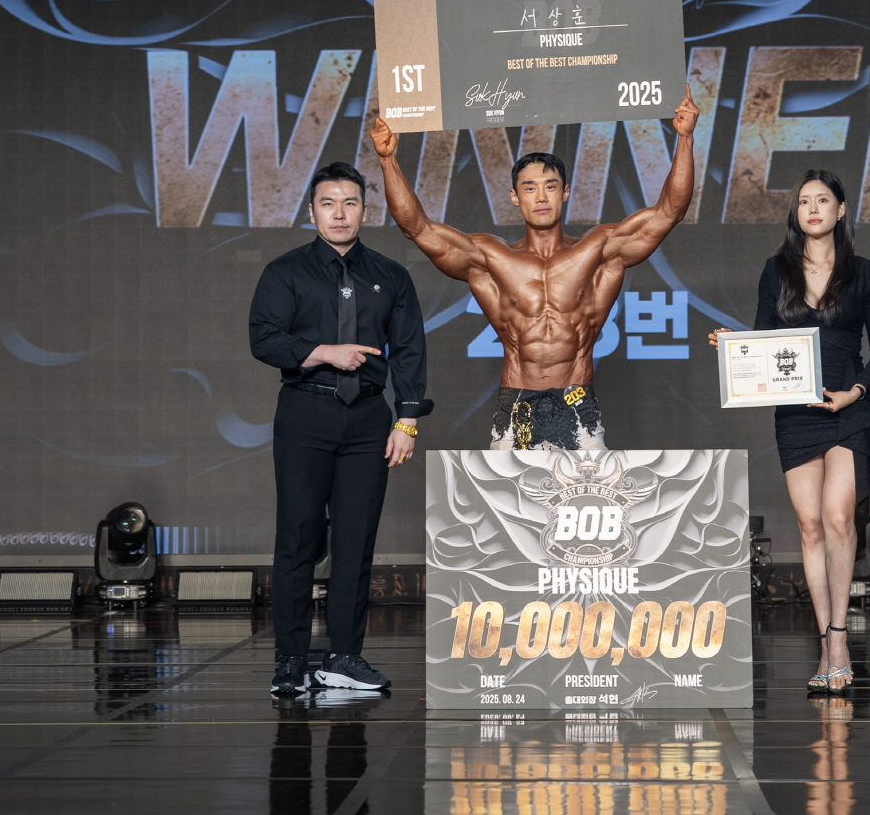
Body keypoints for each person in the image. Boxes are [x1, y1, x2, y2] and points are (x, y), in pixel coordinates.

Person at [368, 88, 700, 449]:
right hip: (516, 405)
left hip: (578, 403)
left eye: (550, 187)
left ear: (565, 192)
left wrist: (684, 138)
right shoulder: (491, 258)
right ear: (515, 197)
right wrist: (387, 159)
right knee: (508, 489)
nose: (541, 197)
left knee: (590, 488)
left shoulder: (599, 251)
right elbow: (416, 227)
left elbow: (670, 211)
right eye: (529, 188)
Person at [248, 161, 433, 695]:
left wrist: (407, 422)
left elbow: (410, 349)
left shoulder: (390, 275)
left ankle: (345, 657)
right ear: (312, 211)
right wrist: (323, 352)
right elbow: (263, 338)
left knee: (356, 541)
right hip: (306, 412)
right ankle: (290, 660)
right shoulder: (286, 271)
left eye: (350, 203)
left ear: (364, 212)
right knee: (298, 537)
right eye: (328, 203)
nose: (339, 213)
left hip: (369, 418)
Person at [707, 170, 870, 694]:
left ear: (840, 209)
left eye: (822, 200)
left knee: (838, 517)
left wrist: (854, 391)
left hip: (848, 408)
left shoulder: (864, 272)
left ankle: (840, 639)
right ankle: (825, 642)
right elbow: (764, 339)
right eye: (804, 200)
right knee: (810, 528)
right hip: (795, 412)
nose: (812, 208)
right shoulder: (777, 270)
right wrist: (734, 346)